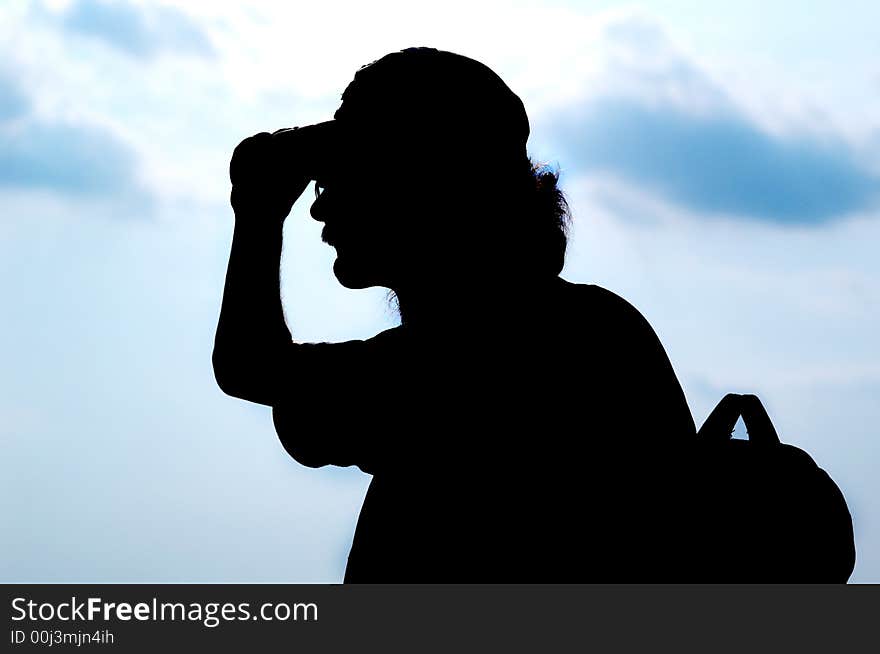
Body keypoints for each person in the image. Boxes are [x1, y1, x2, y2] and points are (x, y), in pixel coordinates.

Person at [213, 47, 697, 582]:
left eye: (344, 178)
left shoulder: (482, 357)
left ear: (420, 188)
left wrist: (257, 212)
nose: (320, 206)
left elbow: (250, 366)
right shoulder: (595, 328)